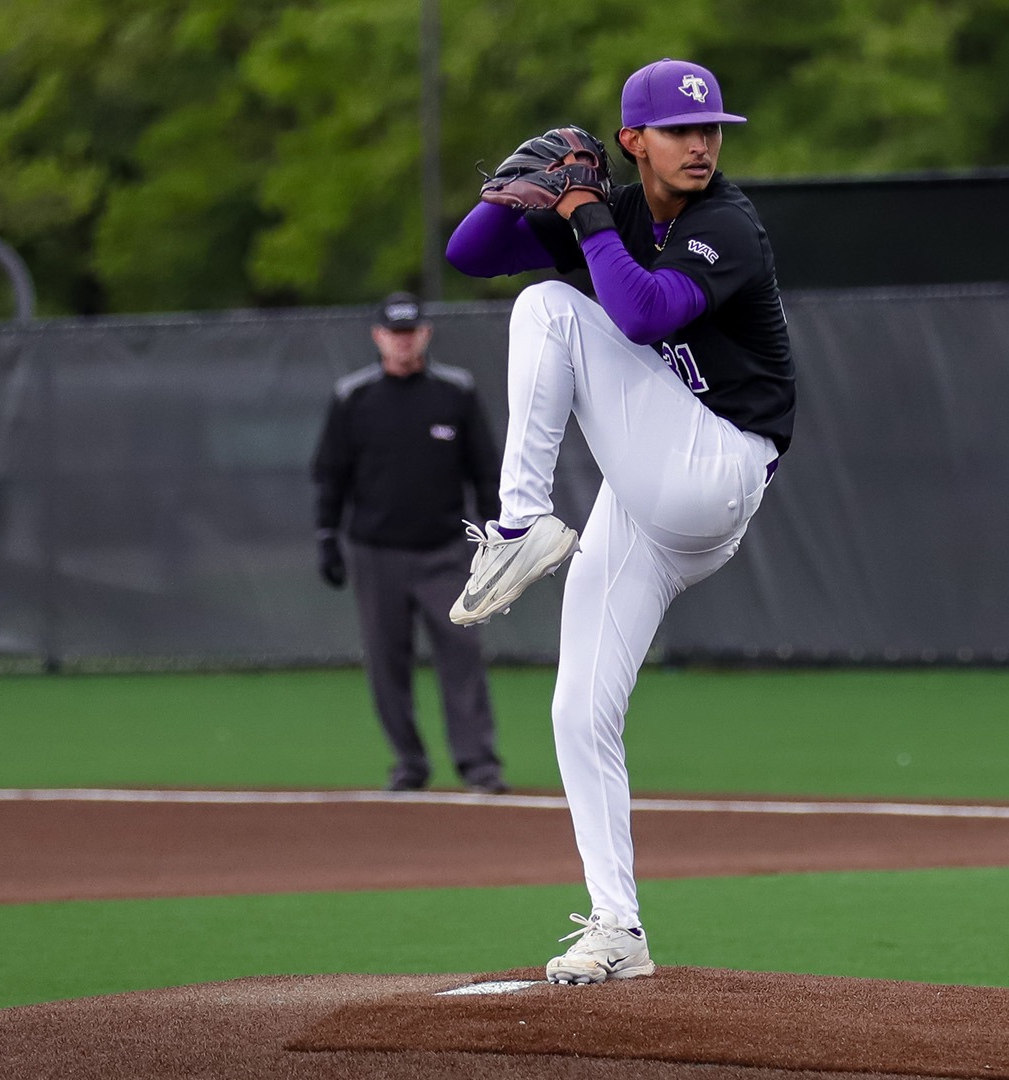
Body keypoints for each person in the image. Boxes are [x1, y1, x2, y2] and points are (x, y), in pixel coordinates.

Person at [444, 59, 795, 983]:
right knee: (576, 710)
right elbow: (467, 256)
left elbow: (639, 317)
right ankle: (618, 928)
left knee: (550, 310)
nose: (704, 143)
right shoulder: (618, 209)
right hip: (645, 491)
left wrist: (581, 215)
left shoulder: (727, 224)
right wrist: (508, 194)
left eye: (713, 127)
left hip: (716, 468)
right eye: (683, 130)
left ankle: (520, 523)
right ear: (634, 140)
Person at [311, 292, 509, 795]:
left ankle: (478, 765)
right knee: (385, 662)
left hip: (444, 550)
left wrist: (496, 538)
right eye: (394, 333)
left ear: (426, 334)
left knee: (462, 653)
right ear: (378, 336)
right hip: (376, 553)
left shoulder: (455, 393)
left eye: (411, 332)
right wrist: (327, 538)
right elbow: (331, 476)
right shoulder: (353, 397)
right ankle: (409, 762)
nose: (403, 342)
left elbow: (485, 473)